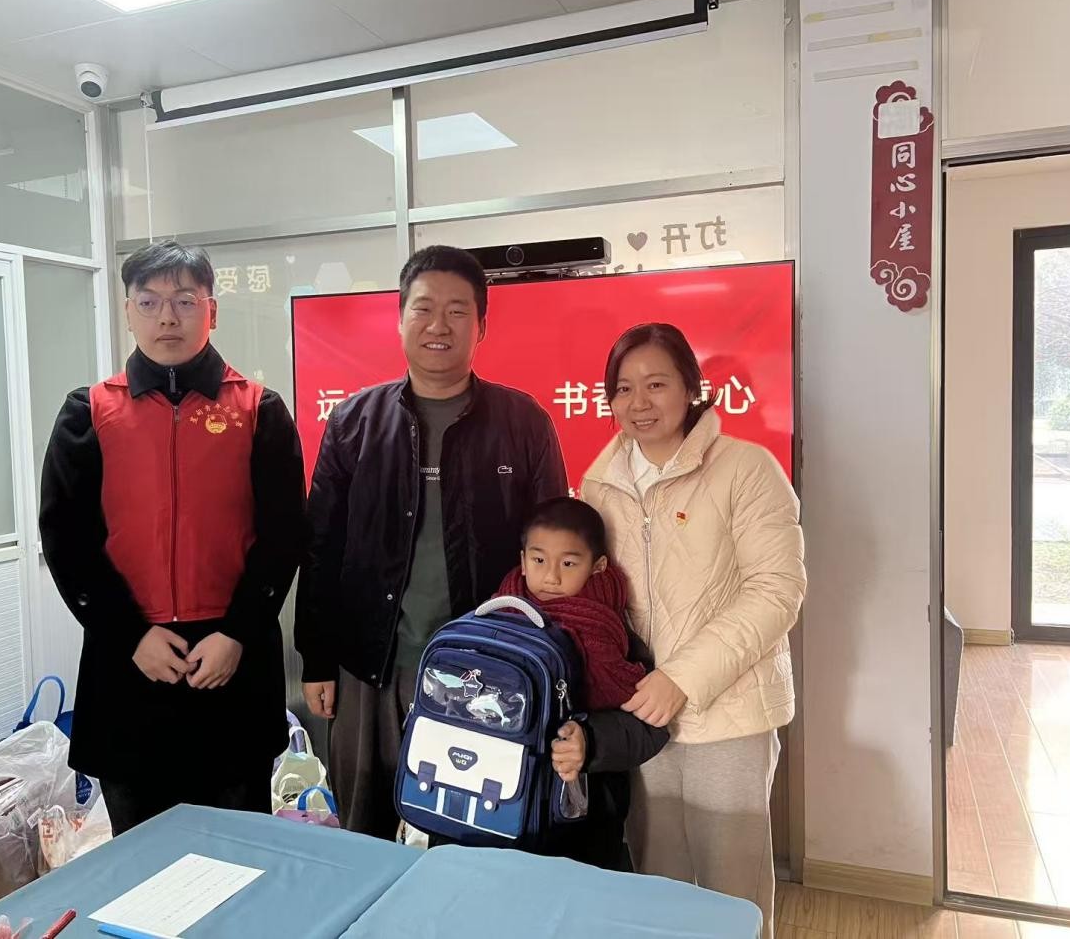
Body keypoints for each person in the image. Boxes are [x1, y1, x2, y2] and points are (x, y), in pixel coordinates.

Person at [295, 244, 568, 839]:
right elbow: (320, 548)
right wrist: (316, 660)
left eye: (457, 311)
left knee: (472, 834)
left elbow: (555, 552)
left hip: (484, 671)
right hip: (371, 664)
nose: (438, 325)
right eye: (423, 309)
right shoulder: (353, 422)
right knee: (364, 828)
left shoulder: (524, 423)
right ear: (400, 320)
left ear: (481, 326)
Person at [39, 240, 307, 836]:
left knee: (239, 849)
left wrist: (237, 633)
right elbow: (67, 538)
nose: (167, 317)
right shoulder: (89, 412)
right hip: (129, 662)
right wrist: (128, 635)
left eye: (185, 301)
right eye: (150, 301)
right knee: (141, 852)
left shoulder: (258, 410)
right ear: (128, 311)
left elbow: (284, 534)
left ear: (212, 310)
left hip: (231, 662)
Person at [580, 323, 805, 933]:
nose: (639, 402)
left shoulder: (746, 468)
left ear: (690, 388)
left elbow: (777, 589)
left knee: (732, 893)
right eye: (623, 388)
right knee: (657, 882)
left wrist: (681, 678)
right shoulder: (599, 484)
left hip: (727, 713)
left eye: (656, 384)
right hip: (638, 716)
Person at [494, 496, 671, 869]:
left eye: (569, 563)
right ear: (522, 560)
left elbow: (650, 727)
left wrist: (590, 741)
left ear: (598, 566)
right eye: (539, 560)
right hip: (503, 800)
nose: (551, 577)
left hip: (585, 811)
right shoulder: (496, 616)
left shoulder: (607, 631)